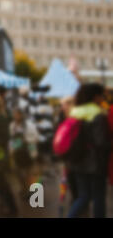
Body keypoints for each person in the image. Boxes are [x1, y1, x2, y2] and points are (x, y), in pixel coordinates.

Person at [68, 83, 111, 218]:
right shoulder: (97, 113)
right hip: (95, 163)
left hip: (77, 160)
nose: (103, 99)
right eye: (101, 96)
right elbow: (100, 142)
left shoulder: (75, 112)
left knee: (84, 196)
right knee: (98, 196)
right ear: (95, 97)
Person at [9, 108, 39, 199]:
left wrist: (26, 140)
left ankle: (33, 192)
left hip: (28, 152)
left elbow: (36, 138)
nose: (16, 116)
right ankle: (24, 189)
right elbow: (11, 139)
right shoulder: (12, 126)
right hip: (17, 153)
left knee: (29, 174)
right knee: (17, 172)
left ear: (22, 115)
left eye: (18, 114)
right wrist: (11, 150)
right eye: (14, 114)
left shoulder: (29, 125)